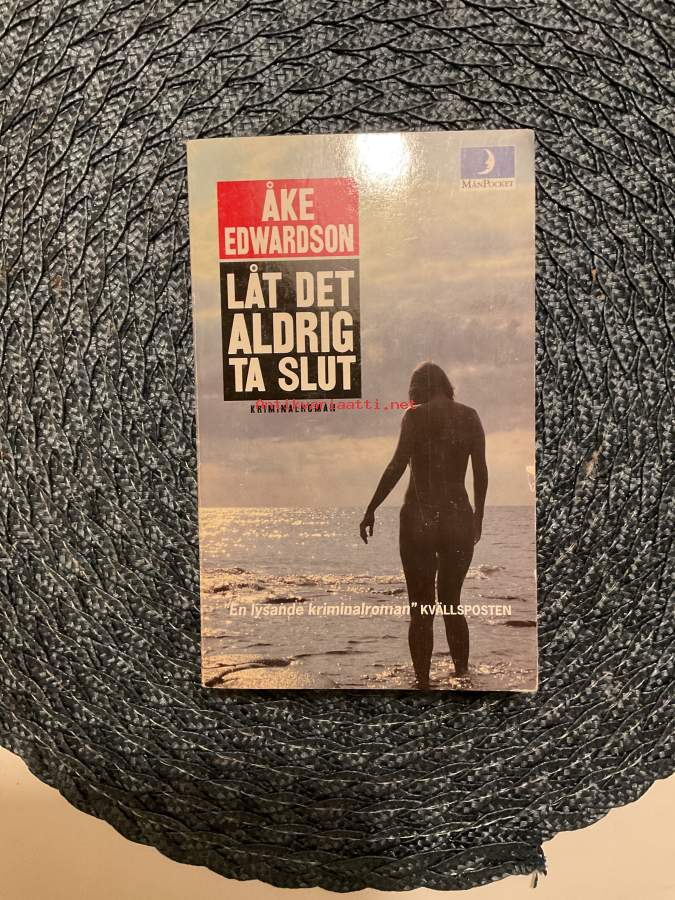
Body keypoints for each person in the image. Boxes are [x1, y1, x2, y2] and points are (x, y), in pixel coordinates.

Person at [360, 362, 488, 688]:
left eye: (412, 388)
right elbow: (481, 472)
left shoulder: (415, 416)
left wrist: (372, 508)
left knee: (421, 608)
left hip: (418, 520)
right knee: (451, 603)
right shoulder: (470, 416)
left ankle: (422, 684)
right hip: (459, 518)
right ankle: (462, 679)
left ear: (419, 387)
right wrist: (478, 517)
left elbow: (397, 465)